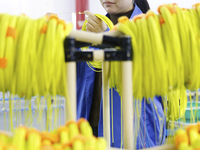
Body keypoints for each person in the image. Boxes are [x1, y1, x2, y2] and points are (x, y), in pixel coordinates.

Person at [76, 0, 166, 149]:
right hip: (90, 137)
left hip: (136, 136)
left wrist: (106, 37)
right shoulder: (89, 32)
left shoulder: (153, 30)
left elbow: (139, 68)